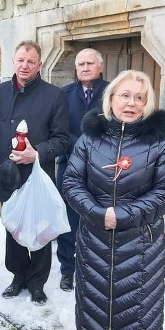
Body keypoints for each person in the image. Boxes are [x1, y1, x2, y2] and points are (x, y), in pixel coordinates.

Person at [63, 69, 165, 330]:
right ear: (111, 99)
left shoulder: (159, 144)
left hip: (139, 243)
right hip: (96, 238)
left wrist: (124, 215)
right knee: (101, 302)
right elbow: (72, 181)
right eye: (124, 96)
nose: (131, 103)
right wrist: (99, 213)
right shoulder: (90, 138)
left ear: (147, 104)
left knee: (131, 305)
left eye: (139, 98)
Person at [0, 40, 70, 306]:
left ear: (39, 65)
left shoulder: (54, 95)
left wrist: (36, 153)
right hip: (8, 174)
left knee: (40, 229)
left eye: (31, 61)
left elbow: (62, 139)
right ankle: (17, 277)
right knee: (13, 227)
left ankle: (37, 283)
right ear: (13, 62)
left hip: (38, 174)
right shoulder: (1, 92)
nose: (25, 66)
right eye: (20, 60)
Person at [55, 48, 109, 292]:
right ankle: (68, 270)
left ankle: (94, 270)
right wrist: (79, 146)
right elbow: (58, 128)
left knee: (98, 220)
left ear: (100, 66)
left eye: (90, 63)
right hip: (70, 167)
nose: (85, 68)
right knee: (69, 220)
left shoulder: (113, 93)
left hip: (103, 169)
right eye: (80, 64)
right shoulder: (64, 95)